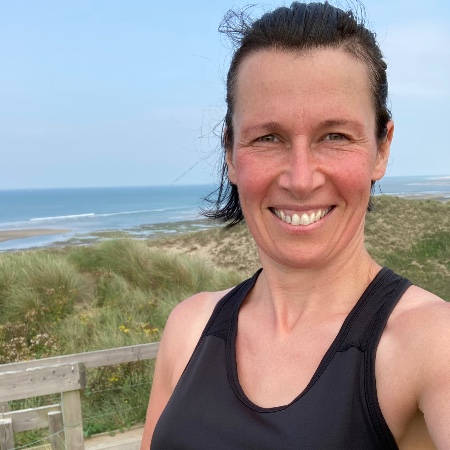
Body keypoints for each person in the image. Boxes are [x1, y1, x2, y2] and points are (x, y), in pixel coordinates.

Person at [141, 2, 450, 448]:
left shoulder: (430, 342)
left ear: (381, 149)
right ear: (230, 153)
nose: (300, 180)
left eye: (335, 136)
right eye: (268, 138)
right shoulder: (189, 328)